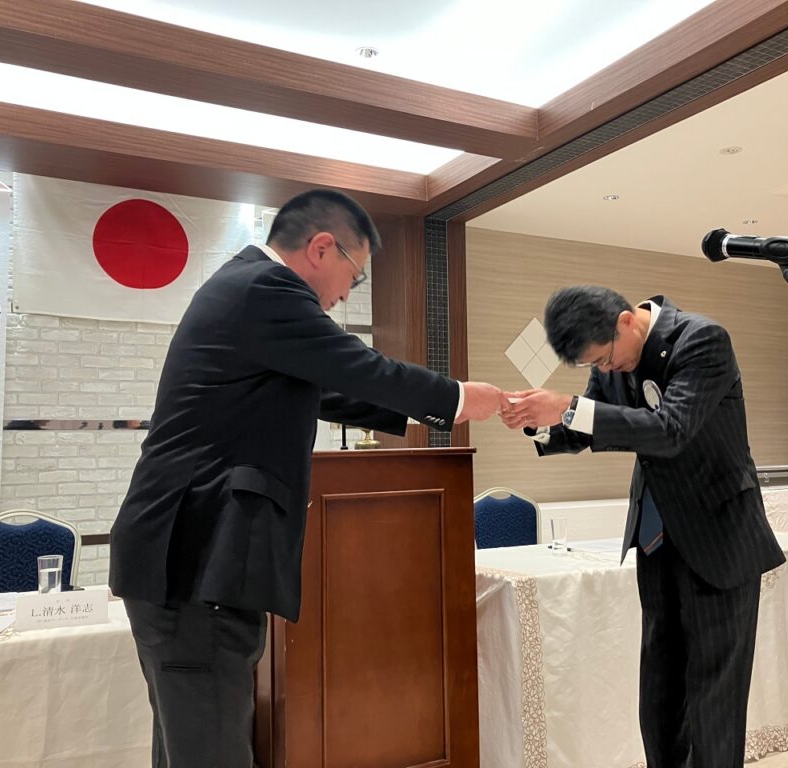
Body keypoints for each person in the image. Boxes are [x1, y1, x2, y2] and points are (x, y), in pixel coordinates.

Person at [109, 188, 505, 767]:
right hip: (196, 561)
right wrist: (460, 397)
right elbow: (361, 367)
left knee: (189, 747)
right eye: (354, 276)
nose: (346, 294)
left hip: (182, 560)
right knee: (211, 749)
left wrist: (437, 412)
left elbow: (330, 390)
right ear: (322, 247)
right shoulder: (265, 288)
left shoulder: (246, 292)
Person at [502, 286, 784, 768]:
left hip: (719, 536)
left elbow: (670, 431)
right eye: (596, 365)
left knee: (714, 698)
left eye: (605, 359)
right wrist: (536, 419)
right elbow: (589, 425)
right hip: (656, 539)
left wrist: (569, 406)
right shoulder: (611, 358)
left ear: (625, 321)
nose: (607, 370)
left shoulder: (702, 339)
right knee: (659, 692)